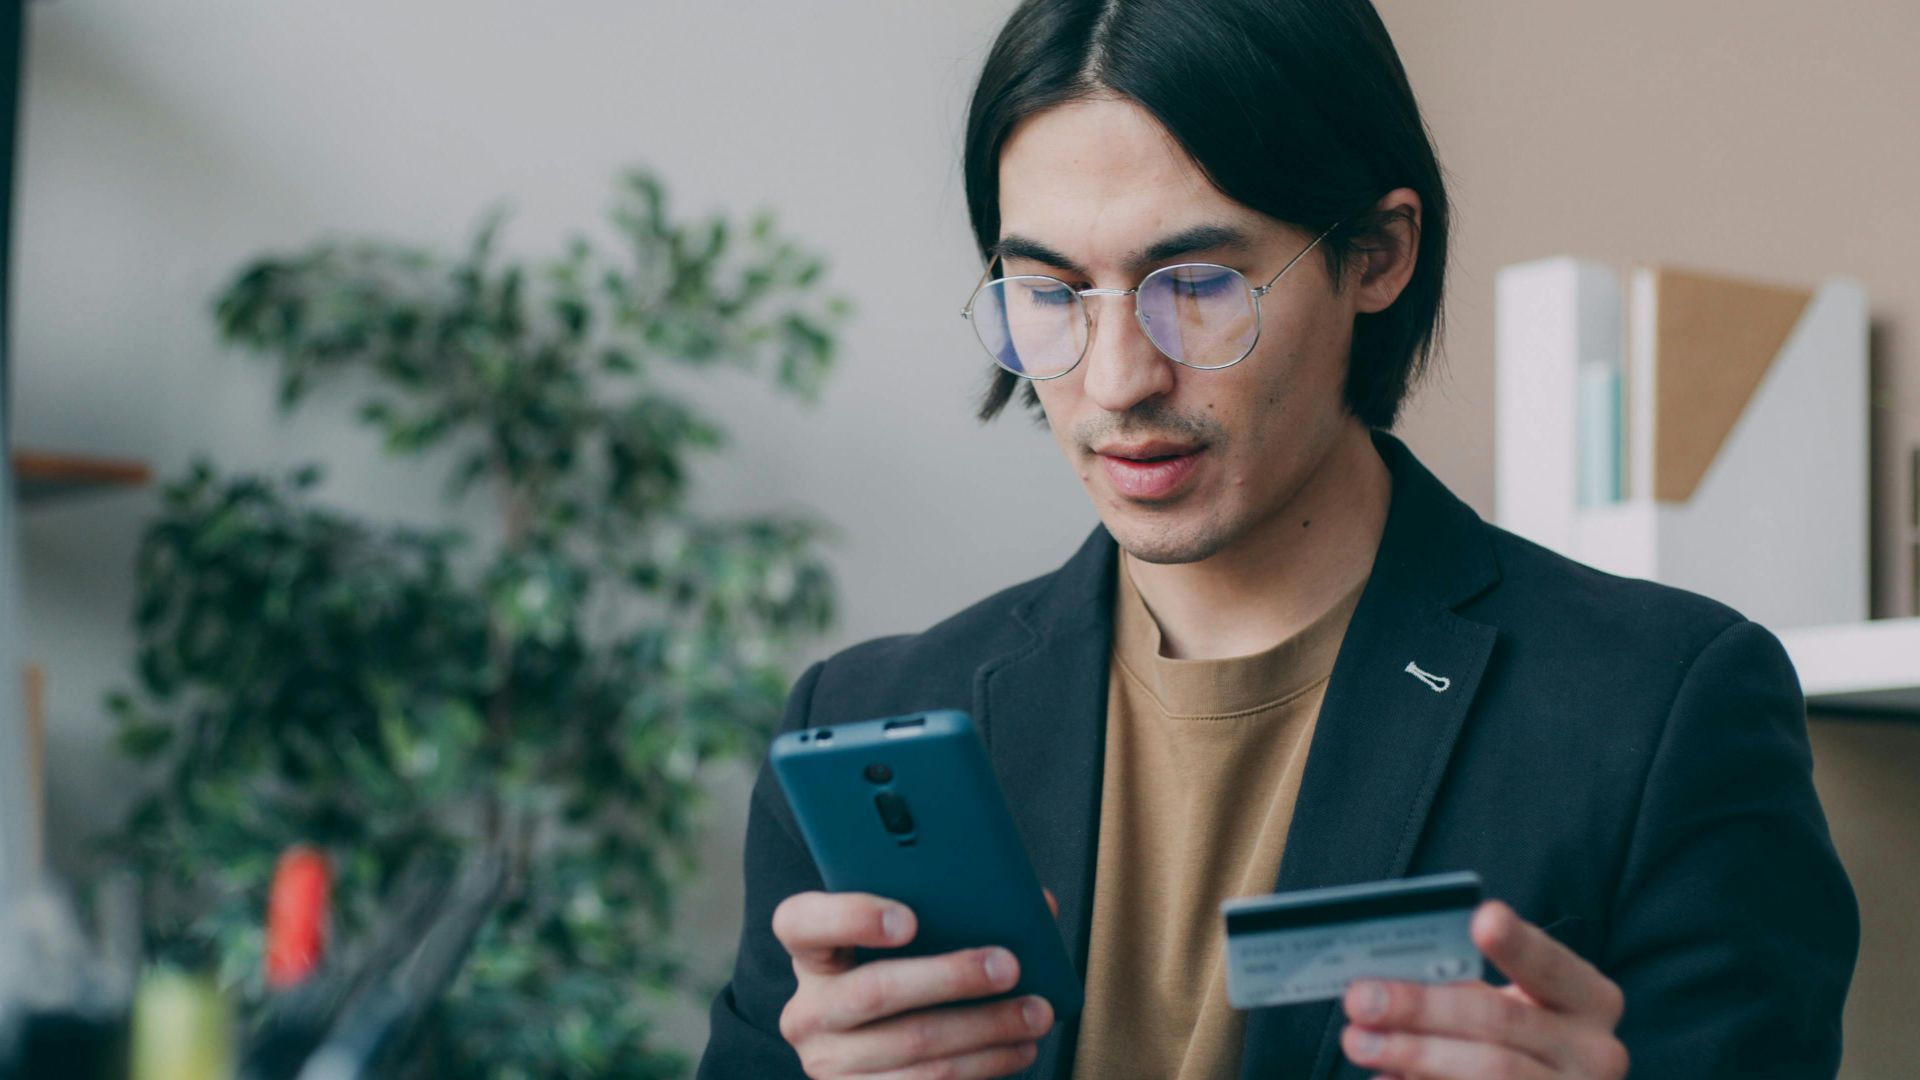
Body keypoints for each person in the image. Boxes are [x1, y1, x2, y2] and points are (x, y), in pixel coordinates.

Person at [697, 1, 1860, 1077]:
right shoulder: (853, 727)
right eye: (1049, 292)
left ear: (1379, 255)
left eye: (1194, 282)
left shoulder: (1660, 710)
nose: (1114, 382)